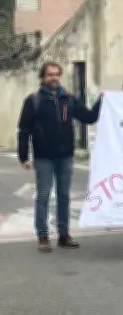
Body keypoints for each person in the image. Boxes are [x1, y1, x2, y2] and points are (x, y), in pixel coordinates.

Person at [17, 61, 103, 252]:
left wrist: (101, 101)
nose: (54, 78)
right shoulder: (33, 101)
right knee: (43, 196)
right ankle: (43, 236)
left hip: (65, 156)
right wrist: (23, 156)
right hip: (44, 157)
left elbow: (89, 118)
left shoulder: (69, 100)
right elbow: (24, 130)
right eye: (50, 74)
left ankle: (64, 235)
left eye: (56, 74)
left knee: (64, 196)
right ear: (42, 77)